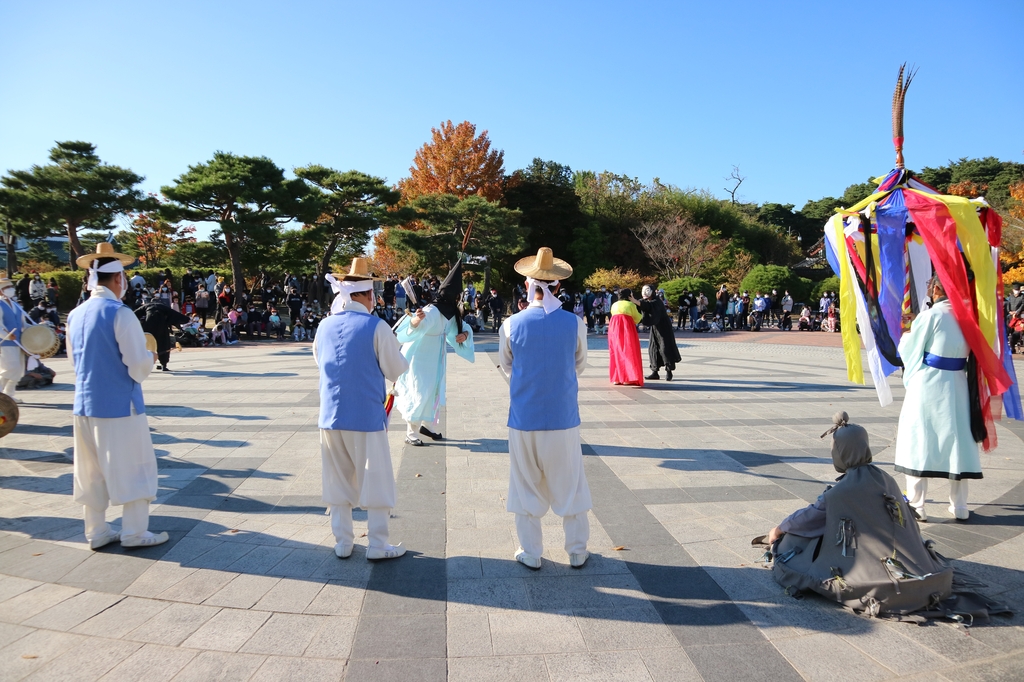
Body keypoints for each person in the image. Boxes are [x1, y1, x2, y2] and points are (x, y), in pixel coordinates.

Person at [763, 411, 952, 615]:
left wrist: (780, 529)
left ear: (842, 453)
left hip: (864, 568)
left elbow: (810, 519)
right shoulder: (885, 478)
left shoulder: (840, 493)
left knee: (793, 542)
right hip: (911, 562)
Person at [66, 242, 168, 549]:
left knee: (91, 471)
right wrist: (151, 358)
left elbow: (75, 361)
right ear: (118, 279)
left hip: (84, 405)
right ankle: (135, 532)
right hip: (121, 406)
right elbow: (137, 365)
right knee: (134, 466)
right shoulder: (120, 313)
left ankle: (96, 532)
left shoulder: (75, 314)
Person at [498, 247, 591, 569]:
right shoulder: (575, 323)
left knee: (525, 484)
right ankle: (577, 549)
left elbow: (507, 366)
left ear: (527, 284)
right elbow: (578, 364)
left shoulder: (511, 324)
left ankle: (531, 552)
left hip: (524, 417)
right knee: (571, 483)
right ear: (558, 286)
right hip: (563, 417)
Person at [316, 257, 410, 560]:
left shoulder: (324, 325)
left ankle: (343, 541)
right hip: (366, 417)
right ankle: (378, 544)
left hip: (330, 415)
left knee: (337, 478)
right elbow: (395, 370)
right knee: (376, 478)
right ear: (369, 295)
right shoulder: (377, 326)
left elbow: (321, 362)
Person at [894, 276, 982, 522]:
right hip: (958, 383)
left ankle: (918, 505)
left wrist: (905, 335)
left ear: (936, 288)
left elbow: (911, 350)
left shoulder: (931, 316)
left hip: (929, 382)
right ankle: (960, 505)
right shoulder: (970, 317)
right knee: (959, 440)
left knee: (918, 437)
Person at [394, 260, 475, 445]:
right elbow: (415, 326)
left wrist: (464, 334)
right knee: (419, 391)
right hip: (419, 357)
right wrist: (415, 322)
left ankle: (427, 426)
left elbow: (461, 329)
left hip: (435, 358)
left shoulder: (450, 313)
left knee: (433, 390)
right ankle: (410, 432)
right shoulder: (431, 310)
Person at [0, 278, 33, 402]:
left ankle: (9, 395)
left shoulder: (15, 305)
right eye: (6, 288)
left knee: (18, 370)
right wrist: (5, 335)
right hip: (5, 342)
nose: (10, 290)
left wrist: (37, 329)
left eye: (10, 287)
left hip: (19, 342)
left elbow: (23, 324)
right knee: (9, 369)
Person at [639, 285, 681, 381]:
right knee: (653, 348)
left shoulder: (657, 301)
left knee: (665, 348)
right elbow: (643, 306)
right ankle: (655, 372)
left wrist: (637, 302)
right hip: (655, 327)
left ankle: (669, 371)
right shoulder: (647, 301)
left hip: (664, 327)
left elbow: (648, 306)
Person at [135, 299, 191, 371]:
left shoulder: (146, 306)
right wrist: (186, 319)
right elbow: (174, 314)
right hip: (161, 326)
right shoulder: (163, 306)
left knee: (145, 344)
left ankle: (143, 364)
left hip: (148, 326)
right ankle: (163, 364)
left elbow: (134, 314)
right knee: (163, 344)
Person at [608, 288, 644, 386]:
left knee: (616, 351)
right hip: (626, 328)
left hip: (614, 328)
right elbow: (637, 318)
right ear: (629, 295)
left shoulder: (614, 304)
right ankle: (628, 378)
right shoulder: (631, 304)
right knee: (628, 350)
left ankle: (617, 378)